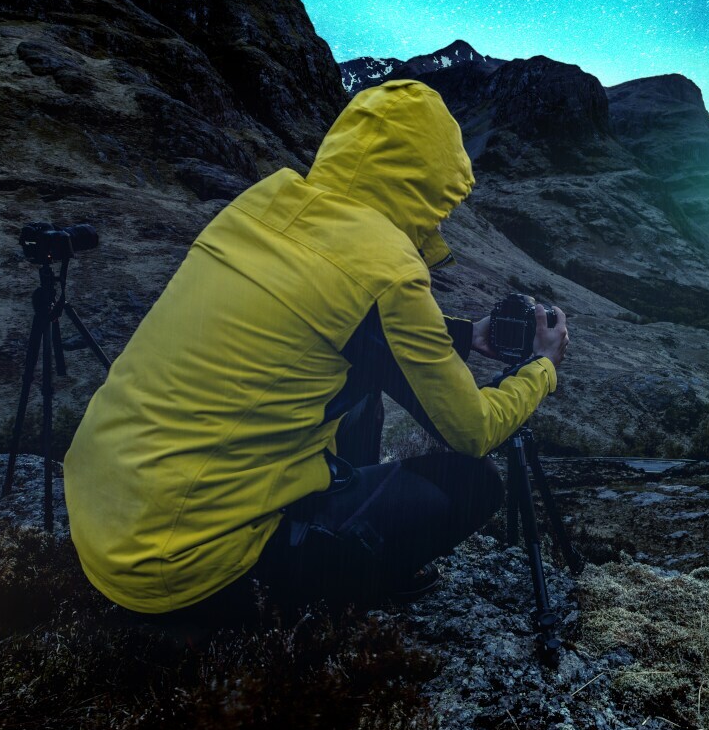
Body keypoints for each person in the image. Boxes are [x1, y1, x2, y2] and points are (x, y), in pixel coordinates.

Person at [64, 79, 569, 629]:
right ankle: (346, 577)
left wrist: (467, 334)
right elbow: (471, 430)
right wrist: (540, 369)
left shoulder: (262, 203)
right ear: (428, 187)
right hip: (178, 564)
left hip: (102, 515)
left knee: (357, 394)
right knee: (474, 484)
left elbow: (327, 310)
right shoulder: (390, 270)